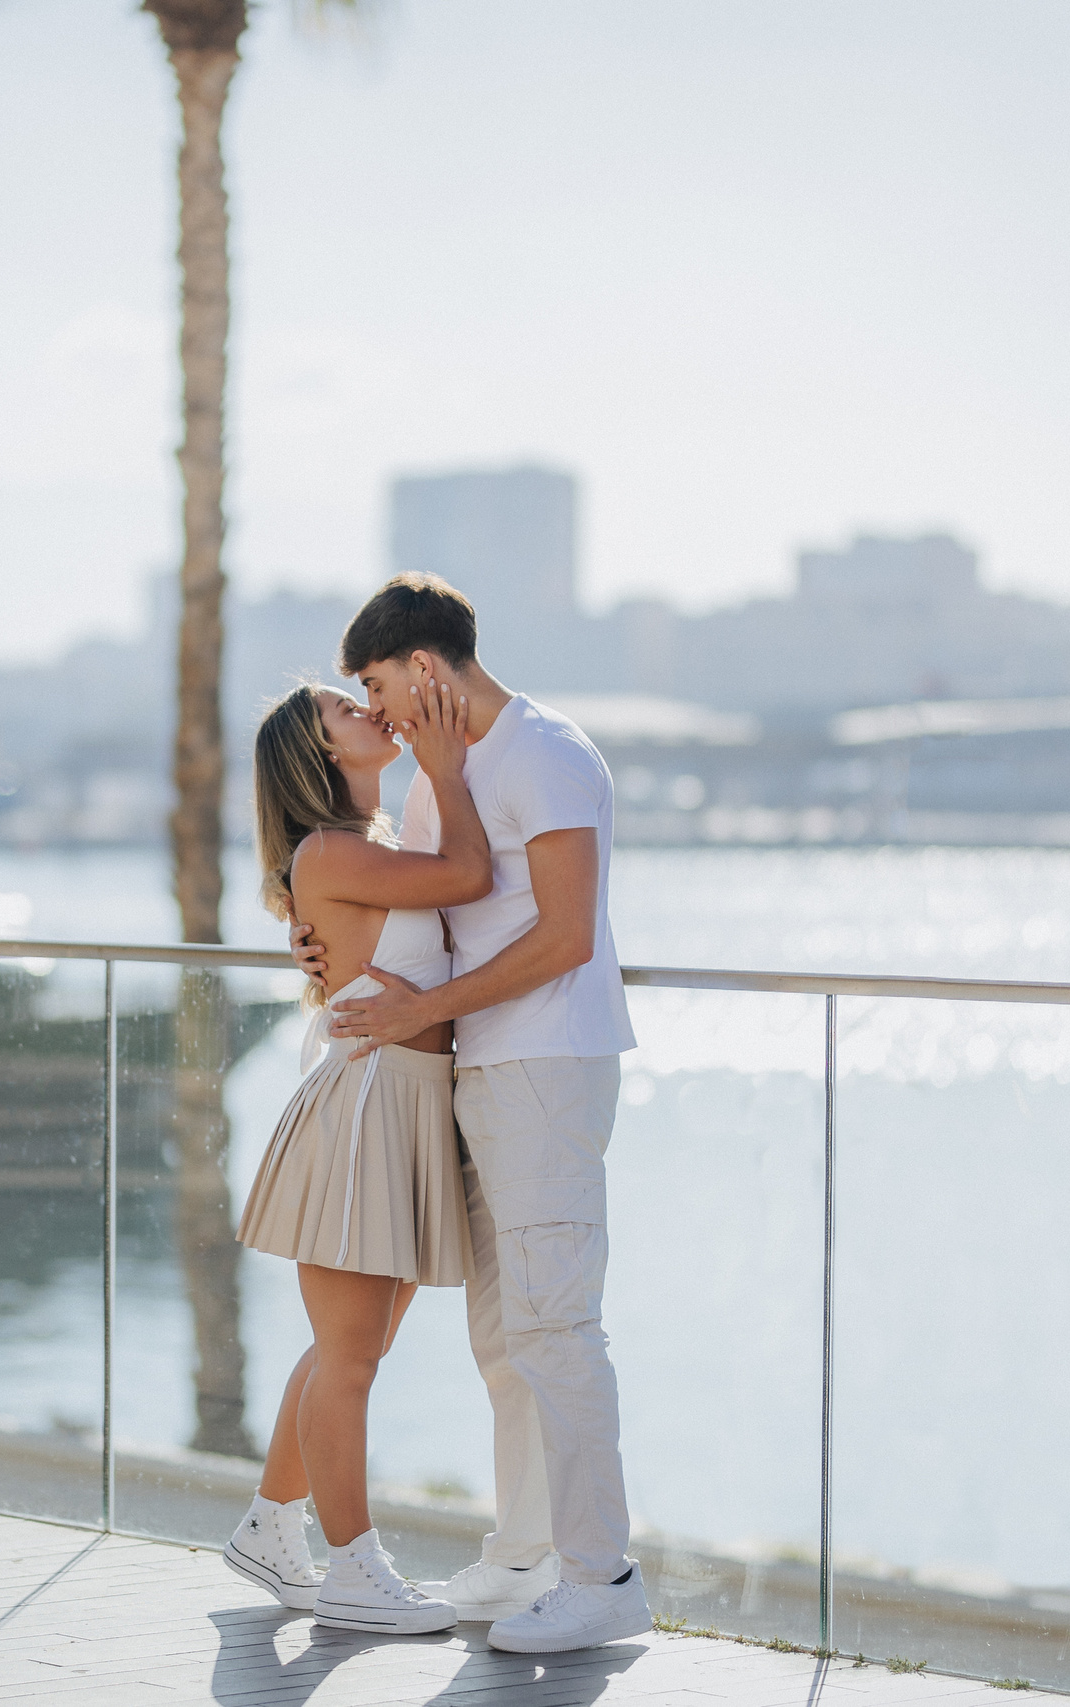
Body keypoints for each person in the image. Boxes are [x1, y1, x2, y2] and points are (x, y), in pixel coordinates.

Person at [294, 571, 650, 1655]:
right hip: (479, 1071)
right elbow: (421, 917)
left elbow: (564, 936)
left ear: (424, 665)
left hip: (545, 1063)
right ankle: (523, 1556)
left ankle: (604, 1575)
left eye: (375, 683)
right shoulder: (434, 781)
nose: (378, 707)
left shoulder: (545, 753)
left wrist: (422, 1013)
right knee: (503, 1338)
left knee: (555, 1327)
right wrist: (326, 956)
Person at [224, 675, 492, 1634]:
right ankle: (354, 1571)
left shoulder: (363, 847)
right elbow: (470, 874)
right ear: (320, 751)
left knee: (356, 1346)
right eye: (345, 707)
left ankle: (269, 1523)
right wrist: (445, 762)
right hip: (369, 1100)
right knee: (350, 1356)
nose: (365, 708)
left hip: (412, 1103)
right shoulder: (333, 851)